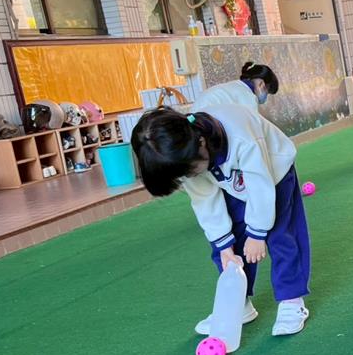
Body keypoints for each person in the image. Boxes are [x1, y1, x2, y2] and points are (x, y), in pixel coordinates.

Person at [131, 105, 310, 336]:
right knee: (226, 248)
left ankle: (292, 301)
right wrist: (224, 247)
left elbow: (260, 187)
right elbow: (205, 202)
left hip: (273, 173)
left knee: (281, 236)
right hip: (230, 181)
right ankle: (239, 305)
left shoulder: (241, 138)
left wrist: (257, 234)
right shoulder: (184, 157)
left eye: (190, 171)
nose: (190, 177)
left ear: (201, 143)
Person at [193, 62, 278, 111]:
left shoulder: (236, 86)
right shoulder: (249, 97)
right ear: (261, 84)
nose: (265, 97)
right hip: (202, 124)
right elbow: (252, 128)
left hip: (193, 120)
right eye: (267, 92)